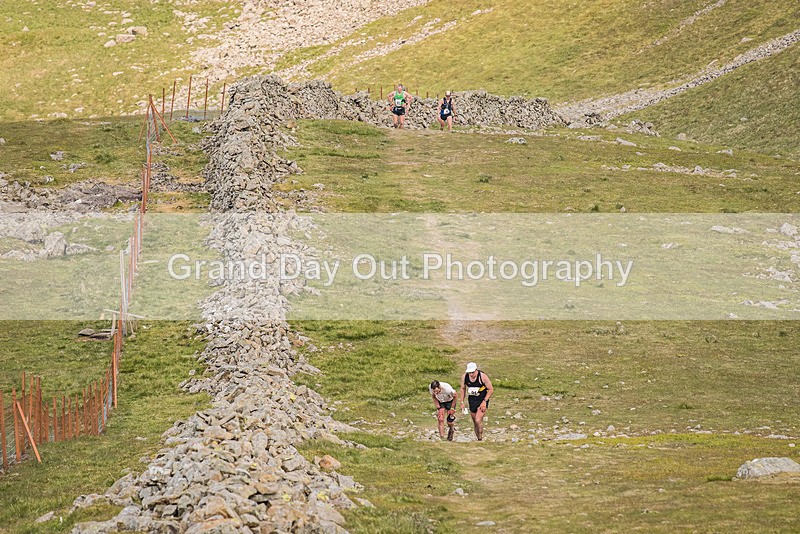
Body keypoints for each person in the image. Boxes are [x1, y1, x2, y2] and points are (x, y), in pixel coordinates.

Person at [458, 362, 493, 441]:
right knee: (475, 421)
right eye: (469, 372)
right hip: (472, 399)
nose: (471, 374)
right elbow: (463, 388)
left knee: (478, 419)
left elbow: (491, 389)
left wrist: (484, 401)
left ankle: (480, 438)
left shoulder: (483, 377)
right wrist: (462, 402)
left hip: (482, 399)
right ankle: (478, 438)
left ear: (476, 370)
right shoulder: (465, 377)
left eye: (472, 372)